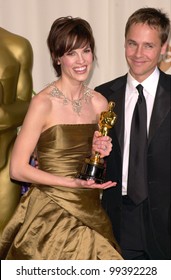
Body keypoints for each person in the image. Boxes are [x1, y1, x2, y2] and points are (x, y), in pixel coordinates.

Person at [0, 17, 123, 260]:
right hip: (49, 214)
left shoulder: (99, 102)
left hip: (89, 210)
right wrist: (71, 184)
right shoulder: (42, 103)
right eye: (71, 53)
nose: (81, 60)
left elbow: (96, 161)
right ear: (57, 57)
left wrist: (101, 149)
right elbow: (17, 169)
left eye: (86, 50)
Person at [95, 7, 171, 260]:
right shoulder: (103, 95)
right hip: (118, 219)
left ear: (163, 48)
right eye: (132, 43)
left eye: (148, 46)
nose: (138, 54)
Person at [0, 28, 33, 237]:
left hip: (5, 163)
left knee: (5, 239)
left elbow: (27, 104)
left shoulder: (17, 45)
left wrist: (3, 115)